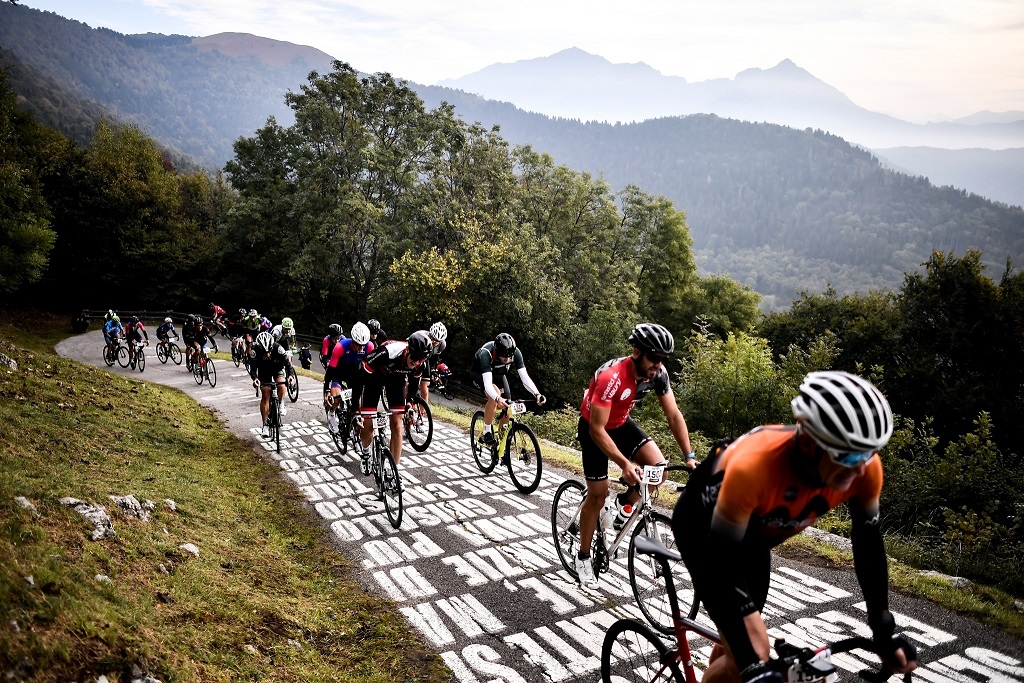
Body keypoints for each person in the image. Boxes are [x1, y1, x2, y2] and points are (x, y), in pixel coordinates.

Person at [670, 371, 918, 683]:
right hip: (705, 533)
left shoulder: (866, 470)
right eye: (850, 453)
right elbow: (720, 564)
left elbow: (867, 542)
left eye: (869, 453)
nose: (860, 467)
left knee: (738, 644)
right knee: (753, 653)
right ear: (809, 442)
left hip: (753, 538)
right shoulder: (755, 467)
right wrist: (750, 666)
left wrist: (883, 629)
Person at [574, 322, 694, 588]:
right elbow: (597, 429)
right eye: (654, 357)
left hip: (619, 424)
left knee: (658, 470)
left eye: (663, 359)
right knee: (598, 493)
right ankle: (582, 557)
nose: (659, 365)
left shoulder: (658, 374)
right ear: (637, 352)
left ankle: (622, 507)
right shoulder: (612, 376)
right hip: (595, 428)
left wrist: (689, 456)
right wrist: (624, 464)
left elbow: (674, 415)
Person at [357, 330, 431, 475]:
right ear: (408, 350)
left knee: (397, 424)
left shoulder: (420, 364)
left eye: (420, 360)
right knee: (368, 424)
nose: (416, 362)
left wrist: (409, 403)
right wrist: (354, 409)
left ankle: (394, 470)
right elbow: (360, 376)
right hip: (375, 377)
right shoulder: (388, 352)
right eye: (414, 357)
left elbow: (414, 385)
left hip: (396, 380)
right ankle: (366, 453)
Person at [470, 332, 546, 445]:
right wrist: (497, 398)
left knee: (508, 407)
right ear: (497, 351)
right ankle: (487, 431)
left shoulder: (515, 352)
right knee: (494, 394)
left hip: (499, 375)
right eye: (503, 357)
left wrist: (537, 394)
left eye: (509, 357)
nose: (507, 359)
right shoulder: (486, 354)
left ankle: (501, 444)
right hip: (480, 374)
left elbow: (524, 377)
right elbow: (487, 383)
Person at [323, 321, 374, 436]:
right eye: (358, 345)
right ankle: (331, 413)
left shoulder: (370, 346)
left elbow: (372, 368)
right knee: (337, 398)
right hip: (338, 373)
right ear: (353, 341)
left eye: (363, 345)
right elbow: (330, 370)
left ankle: (354, 421)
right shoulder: (341, 346)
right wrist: (327, 389)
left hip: (354, 374)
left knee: (359, 403)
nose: (361, 348)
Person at [250, 331, 291, 438]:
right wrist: (255, 379)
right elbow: (253, 369)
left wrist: (290, 376)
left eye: (269, 351)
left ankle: (281, 402)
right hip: (264, 371)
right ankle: (265, 424)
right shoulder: (254, 350)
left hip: (277, 368)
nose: (267, 354)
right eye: (264, 352)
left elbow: (287, 364)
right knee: (265, 393)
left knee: (281, 386)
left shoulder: (278, 347)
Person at [417, 321, 448, 404]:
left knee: (425, 387)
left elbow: (434, 358)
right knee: (409, 384)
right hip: (415, 357)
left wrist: (432, 370)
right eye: (433, 339)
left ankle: (422, 414)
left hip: (426, 359)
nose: (434, 342)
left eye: (437, 341)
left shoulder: (442, 345)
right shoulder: (422, 338)